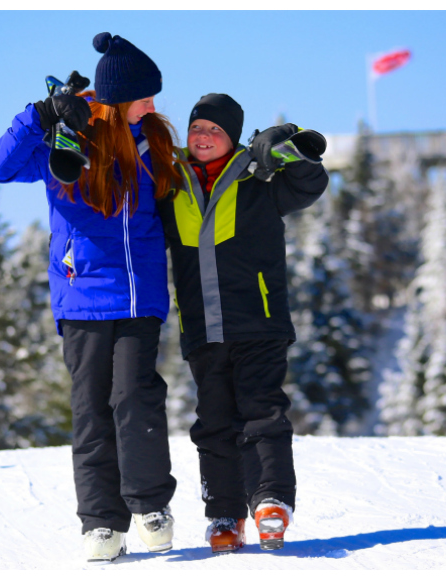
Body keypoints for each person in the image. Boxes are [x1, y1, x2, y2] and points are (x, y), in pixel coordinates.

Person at [0, 32, 182, 561]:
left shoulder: (154, 142)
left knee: (135, 396)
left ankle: (149, 504)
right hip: (82, 294)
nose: (154, 105)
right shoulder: (68, 139)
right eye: (145, 96)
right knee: (92, 408)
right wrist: (41, 114)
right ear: (118, 98)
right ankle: (101, 523)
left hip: (139, 295)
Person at [155, 93, 328, 553]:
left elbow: (311, 183)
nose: (203, 137)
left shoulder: (260, 179)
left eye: (215, 130)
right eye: (196, 128)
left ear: (232, 138)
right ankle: (224, 516)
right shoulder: (172, 184)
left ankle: (270, 500)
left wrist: (285, 145)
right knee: (213, 424)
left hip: (259, 322)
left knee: (261, 412)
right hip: (202, 328)